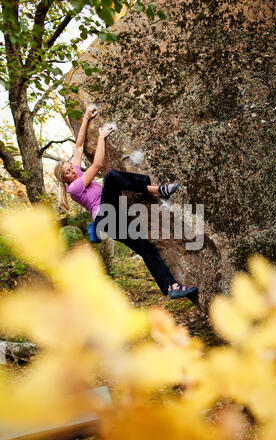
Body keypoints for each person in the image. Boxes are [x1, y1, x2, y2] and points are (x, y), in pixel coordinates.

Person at [54, 105, 198, 300]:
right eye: (67, 172)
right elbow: (97, 165)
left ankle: (171, 286)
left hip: (113, 222)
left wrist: (86, 118)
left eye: (70, 166)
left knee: (146, 248)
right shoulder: (74, 188)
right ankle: (157, 190)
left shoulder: (76, 172)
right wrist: (102, 137)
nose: (71, 170)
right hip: (105, 217)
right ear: (64, 179)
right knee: (112, 176)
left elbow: (79, 146)